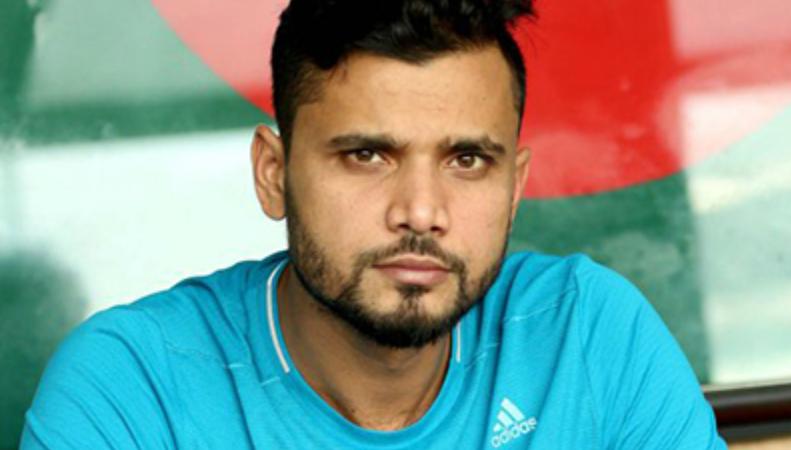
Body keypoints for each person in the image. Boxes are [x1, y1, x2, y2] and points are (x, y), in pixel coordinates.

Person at [21, 0, 727, 448]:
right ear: (273, 173)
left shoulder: (586, 332)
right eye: (367, 155)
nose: (421, 211)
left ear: (515, 188)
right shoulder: (134, 386)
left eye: (467, 160)